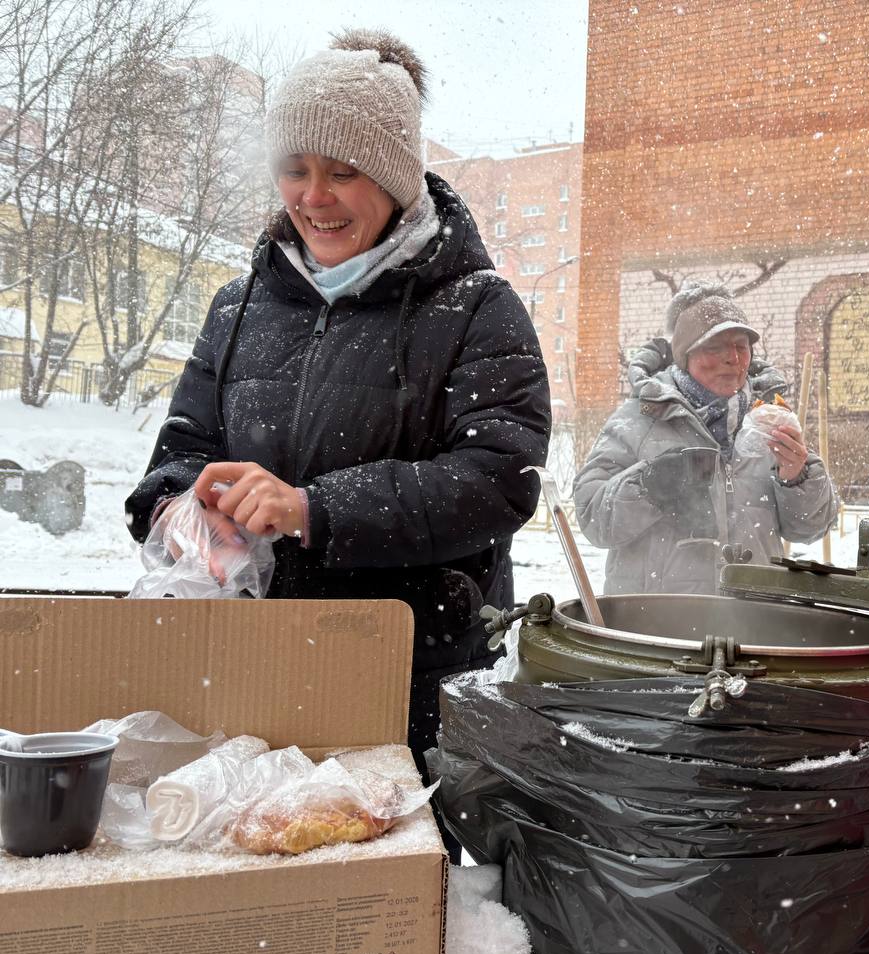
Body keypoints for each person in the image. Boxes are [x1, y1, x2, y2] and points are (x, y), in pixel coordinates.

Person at [125, 30, 551, 772]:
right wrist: (184, 514)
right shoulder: (241, 304)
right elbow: (180, 452)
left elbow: (496, 479)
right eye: (295, 169)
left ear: (394, 178)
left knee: (384, 879)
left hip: (408, 674)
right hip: (245, 664)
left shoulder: (477, 308)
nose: (312, 198)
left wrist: (314, 510)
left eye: (343, 172)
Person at [573, 281, 839, 594]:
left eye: (741, 346)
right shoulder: (640, 418)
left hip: (755, 622)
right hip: (654, 624)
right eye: (715, 347)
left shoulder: (768, 419)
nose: (733, 359)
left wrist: (796, 478)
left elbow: (810, 527)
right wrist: (648, 484)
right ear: (685, 356)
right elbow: (592, 518)